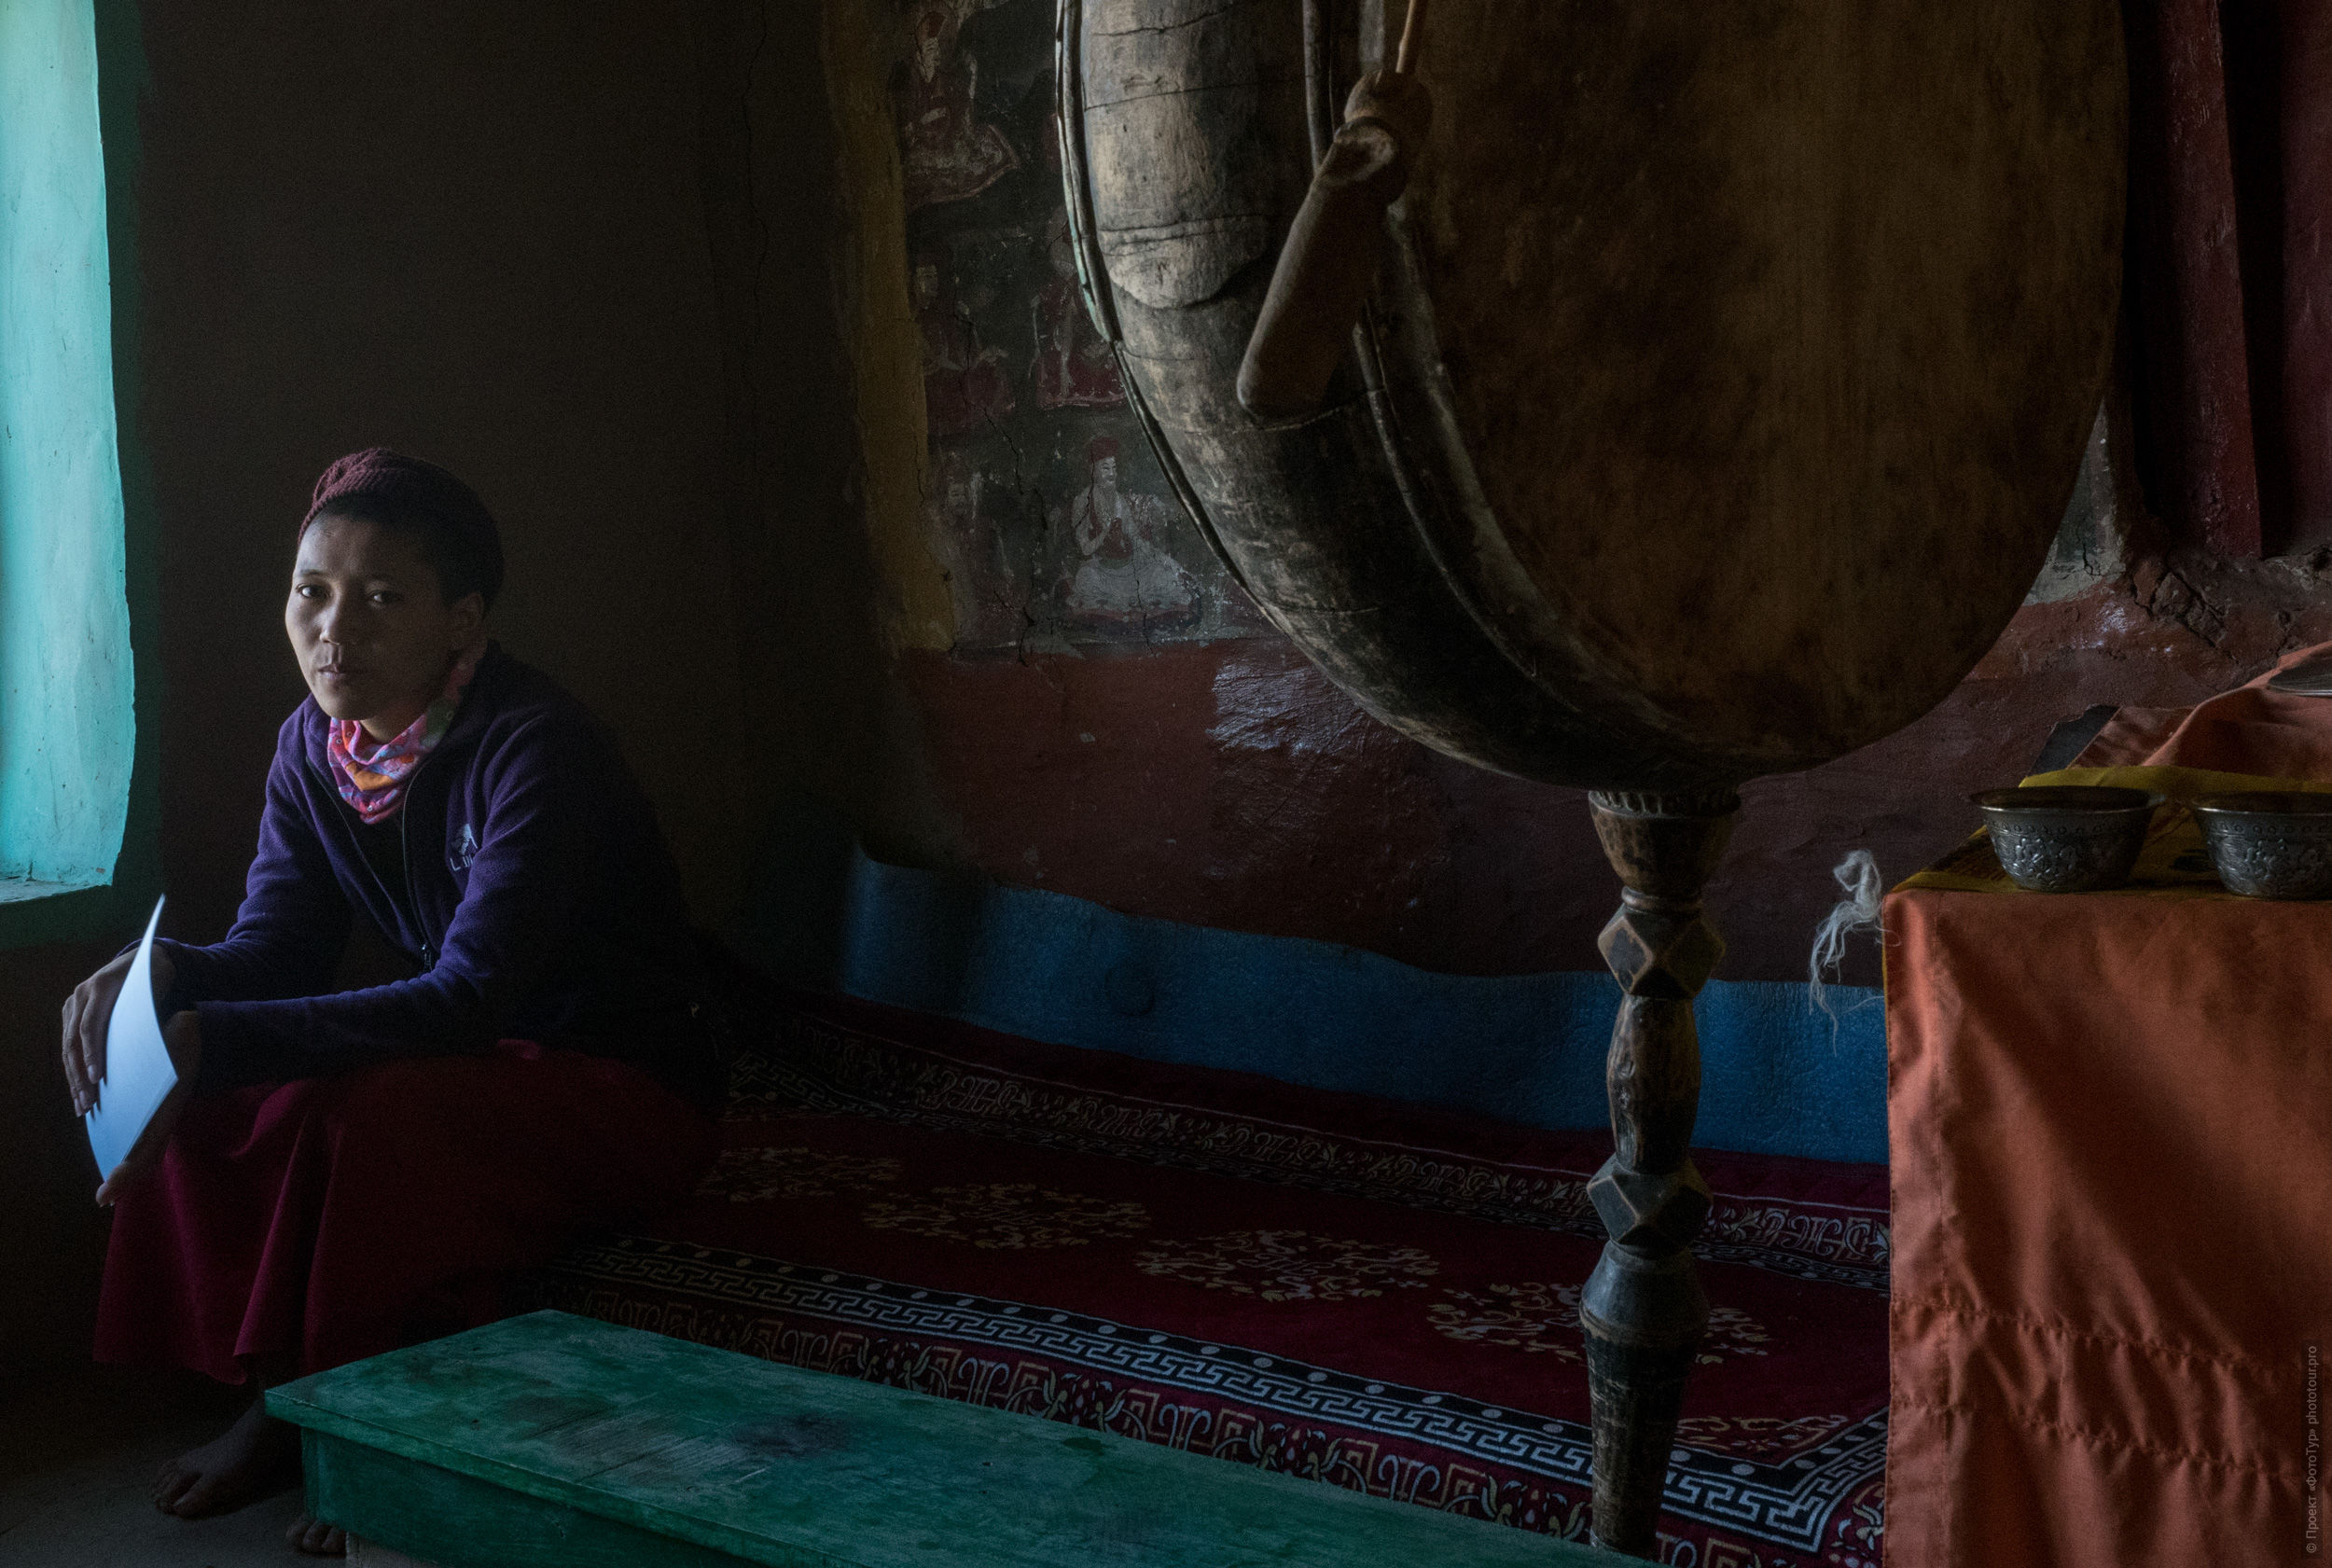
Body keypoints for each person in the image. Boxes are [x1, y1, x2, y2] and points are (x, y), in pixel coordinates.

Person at [59, 450, 724, 1557]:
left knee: (369, 1116)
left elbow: (466, 999)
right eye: (311, 592)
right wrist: (163, 976)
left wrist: (214, 1037)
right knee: (223, 1088)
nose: (334, 630)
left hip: (623, 1082)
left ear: (462, 624)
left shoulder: (533, 748)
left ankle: (354, 1420)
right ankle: (276, 1382)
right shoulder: (314, 752)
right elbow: (278, 950)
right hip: (479, 1053)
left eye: (380, 599)